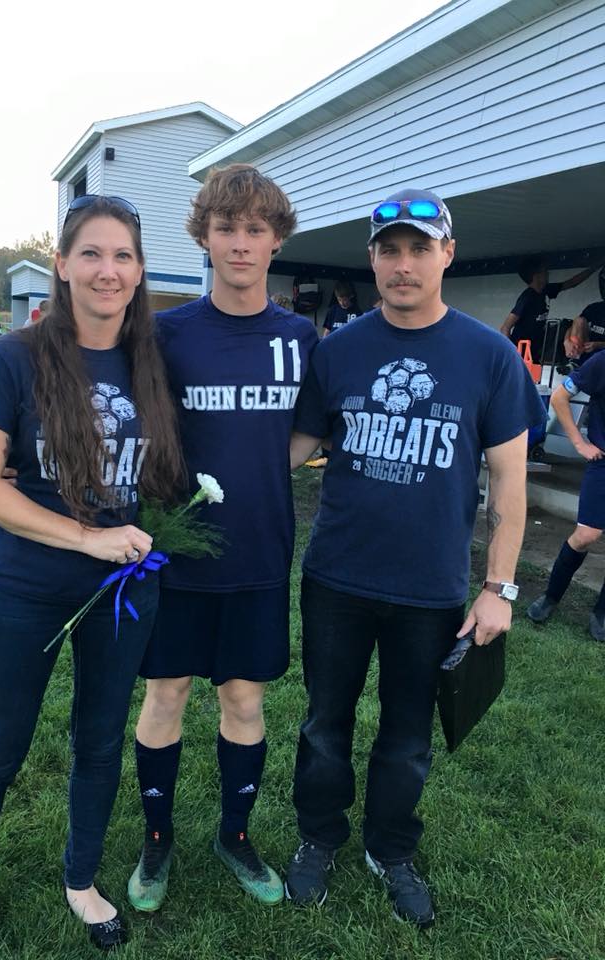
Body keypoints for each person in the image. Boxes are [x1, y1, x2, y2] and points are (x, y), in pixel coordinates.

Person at [0, 195, 185, 959]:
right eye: (92, 254)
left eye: (124, 256)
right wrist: (86, 538)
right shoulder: (15, 357)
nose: (109, 270)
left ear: (140, 272)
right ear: (62, 266)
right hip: (26, 588)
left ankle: (81, 881)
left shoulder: (153, 362)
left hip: (126, 592)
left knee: (100, 741)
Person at [284, 189, 544, 926]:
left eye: (418, 248)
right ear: (371, 259)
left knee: (406, 736)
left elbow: (509, 487)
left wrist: (498, 588)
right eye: (388, 250)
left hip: (430, 589)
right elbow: (289, 454)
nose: (402, 264)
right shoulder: (336, 352)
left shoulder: (489, 357)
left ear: (447, 254)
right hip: (336, 577)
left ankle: (391, 848)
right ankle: (318, 837)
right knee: (323, 724)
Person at [127, 164, 318, 913]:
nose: (240, 243)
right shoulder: (165, 333)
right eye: (226, 228)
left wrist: (260, 468)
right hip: (175, 557)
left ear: (277, 242)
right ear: (204, 236)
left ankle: (234, 836)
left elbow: (309, 426)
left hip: (260, 554)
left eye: (255, 230)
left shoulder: (300, 336)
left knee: (244, 697)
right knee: (166, 691)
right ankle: (157, 836)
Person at [527, 351, 605, 641]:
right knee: (586, 535)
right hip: (602, 465)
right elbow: (560, 397)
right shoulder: (601, 363)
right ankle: (551, 596)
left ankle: (601, 612)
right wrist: (579, 443)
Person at [500, 255, 601, 364]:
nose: (548, 273)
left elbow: (571, 283)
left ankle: (572, 360)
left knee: (567, 326)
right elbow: (505, 327)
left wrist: (594, 268)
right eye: (544, 271)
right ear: (537, 276)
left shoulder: (546, 290)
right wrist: (513, 352)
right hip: (522, 349)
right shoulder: (527, 297)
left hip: (536, 346)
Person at [563, 267, 605, 360]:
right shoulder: (594, 308)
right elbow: (573, 327)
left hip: (601, 361)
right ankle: (573, 362)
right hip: (586, 359)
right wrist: (566, 341)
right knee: (578, 320)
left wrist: (599, 345)